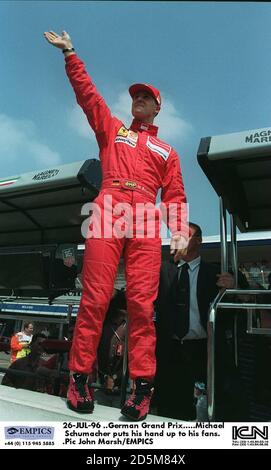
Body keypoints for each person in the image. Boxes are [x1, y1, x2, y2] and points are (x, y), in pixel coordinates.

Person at [43, 30, 188, 420]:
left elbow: (174, 193)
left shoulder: (168, 151)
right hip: (107, 208)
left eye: (146, 97)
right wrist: (71, 55)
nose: (138, 100)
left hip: (145, 216)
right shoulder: (112, 130)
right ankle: (79, 379)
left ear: (157, 108)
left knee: (142, 305)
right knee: (95, 298)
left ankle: (142, 388)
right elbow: (88, 96)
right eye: (135, 96)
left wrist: (178, 229)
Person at [154, 222, 249, 421]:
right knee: (172, 411)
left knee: (220, 406)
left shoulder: (216, 273)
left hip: (206, 350)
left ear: (198, 241)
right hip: (172, 351)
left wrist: (233, 289)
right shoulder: (161, 271)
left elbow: (239, 309)